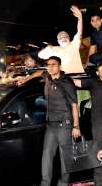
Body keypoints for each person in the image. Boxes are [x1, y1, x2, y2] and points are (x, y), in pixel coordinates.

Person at [38, 56, 81, 186]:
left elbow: (74, 105)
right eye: (48, 64)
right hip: (51, 126)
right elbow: (39, 72)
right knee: (46, 158)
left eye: (54, 65)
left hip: (65, 126)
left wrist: (76, 126)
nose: (50, 67)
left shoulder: (66, 82)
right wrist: (25, 77)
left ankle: (63, 184)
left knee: (65, 160)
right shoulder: (48, 77)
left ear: (60, 67)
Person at [38, 6, 84, 74]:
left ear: (69, 38)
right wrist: (48, 48)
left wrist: (80, 18)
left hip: (78, 74)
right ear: (58, 41)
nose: (63, 38)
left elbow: (79, 32)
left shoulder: (74, 44)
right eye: (60, 37)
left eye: (65, 36)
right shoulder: (54, 49)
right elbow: (40, 55)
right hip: (63, 77)